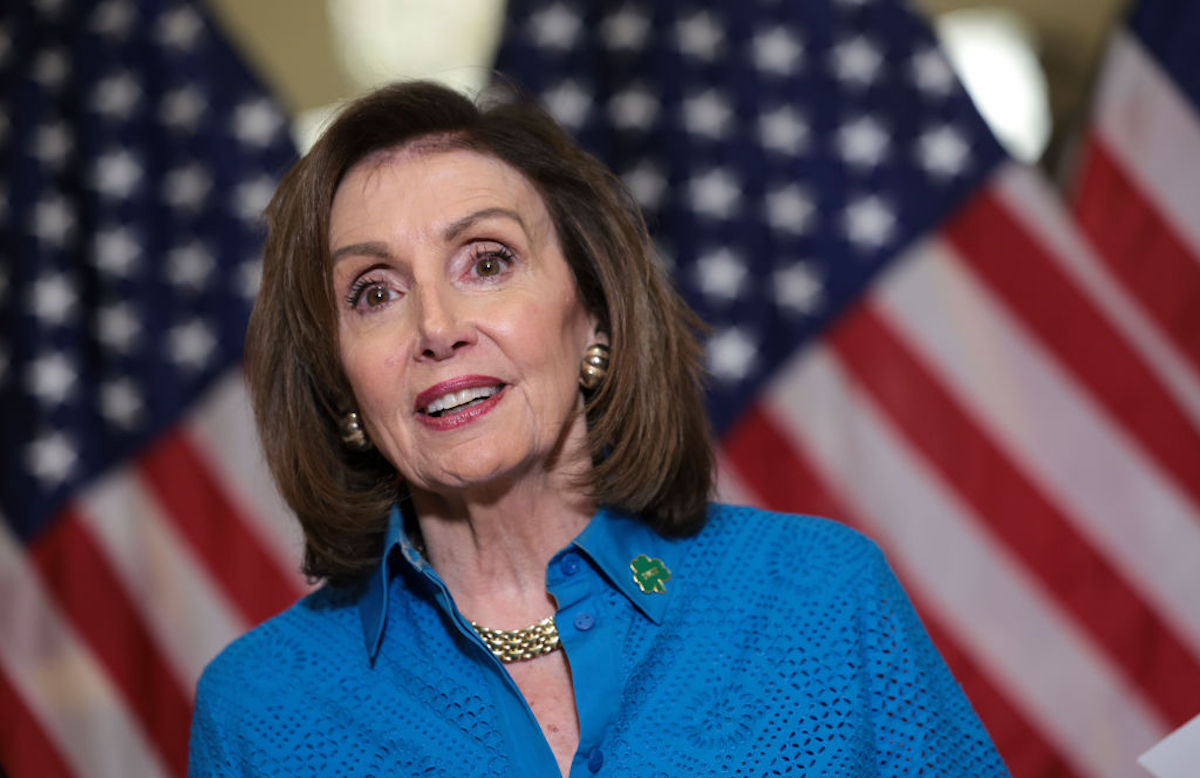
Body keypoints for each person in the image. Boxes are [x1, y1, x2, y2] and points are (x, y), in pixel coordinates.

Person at [189, 80, 1008, 777]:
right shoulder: (258, 715)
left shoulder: (821, 600)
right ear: (340, 382)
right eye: (374, 292)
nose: (436, 327)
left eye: (487, 260)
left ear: (594, 317)